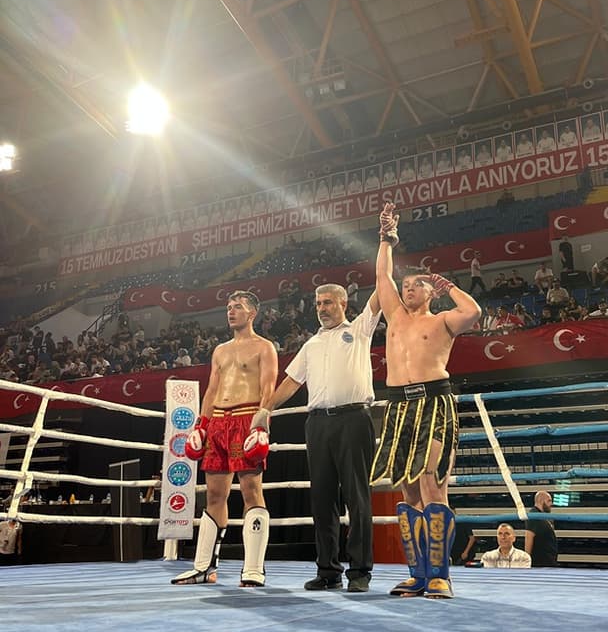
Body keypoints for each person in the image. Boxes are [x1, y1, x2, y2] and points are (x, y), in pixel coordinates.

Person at [370, 202, 481, 598]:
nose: (408, 289)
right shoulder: (395, 317)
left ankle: (440, 575)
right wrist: (387, 238)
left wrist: (448, 285)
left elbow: (473, 310)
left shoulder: (443, 320)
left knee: (433, 485)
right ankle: (418, 573)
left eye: (417, 285)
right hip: (398, 406)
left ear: (431, 292)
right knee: (409, 491)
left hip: (433, 403)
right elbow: (382, 276)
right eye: (407, 285)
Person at [249, 284, 381, 593]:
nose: (322, 308)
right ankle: (328, 571)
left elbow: (379, 294)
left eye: (328, 302)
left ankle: (359, 571)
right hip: (318, 424)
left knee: (357, 498)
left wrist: (386, 256)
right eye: (318, 303)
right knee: (322, 499)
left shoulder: (360, 329)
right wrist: (265, 409)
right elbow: (292, 381)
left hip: (353, 419)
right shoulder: (311, 344)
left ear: (343, 303)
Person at [172, 291, 278, 587]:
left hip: (247, 418)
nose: (231, 312)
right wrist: (201, 425)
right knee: (214, 495)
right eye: (229, 307)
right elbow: (211, 390)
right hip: (218, 421)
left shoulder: (264, 347)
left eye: (238, 307)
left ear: (252, 313)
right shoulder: (220, 350)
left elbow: (268, 388)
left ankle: (253, 568)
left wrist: (261, 423)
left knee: (251, 491)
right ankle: (204, 567)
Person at [524, 490, 558, 567]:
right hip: (540, 563)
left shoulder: (543, 516)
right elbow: (529, 537)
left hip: (548, 562)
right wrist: (526, 562)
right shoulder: (533, 515)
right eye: (549, 501)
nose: (551, 504)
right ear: (541, 501)